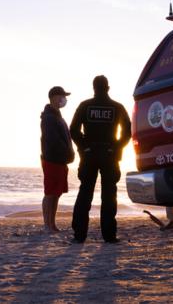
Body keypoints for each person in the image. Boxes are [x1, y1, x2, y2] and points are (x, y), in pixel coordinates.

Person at [69, 75, 131, 243]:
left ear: (93, 88)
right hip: (109, 156)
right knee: (109, 196)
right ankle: (109, 236)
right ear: (108, 88)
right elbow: (127, 132)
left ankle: (79, 235)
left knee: (85, 194)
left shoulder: (85, 106)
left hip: (90, 156)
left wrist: (84, 147)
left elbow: (73, 130)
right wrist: (116, 147)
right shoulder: (117, 107)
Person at [40, 86, 75, 232]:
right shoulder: (49, 117)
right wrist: (66, 153)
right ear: (54, 97)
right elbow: (53, 140)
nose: (64, 99)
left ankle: (51, 224)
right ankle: (47, 224)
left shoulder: (57, 116)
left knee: (56, 193)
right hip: (52, 159)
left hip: (60, 160)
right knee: (50, 193)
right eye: (62, 96)